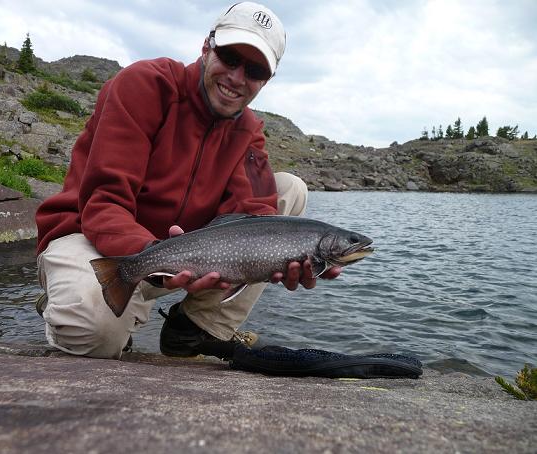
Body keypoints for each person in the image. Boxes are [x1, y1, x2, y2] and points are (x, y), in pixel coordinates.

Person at [35, 1, 341, 361]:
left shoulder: (249, 132)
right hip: (93, 239)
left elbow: (253, 214)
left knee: (289, 190)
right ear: (207, 47)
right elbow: (103, 204)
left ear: (267, 79)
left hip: (183, 256)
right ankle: (72, 297)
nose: (237, 78)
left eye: (255, 70)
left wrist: (278, 263)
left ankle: (195, 329)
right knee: (92, 333)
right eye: (229, 57)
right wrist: (159, 262)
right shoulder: (144, 85)